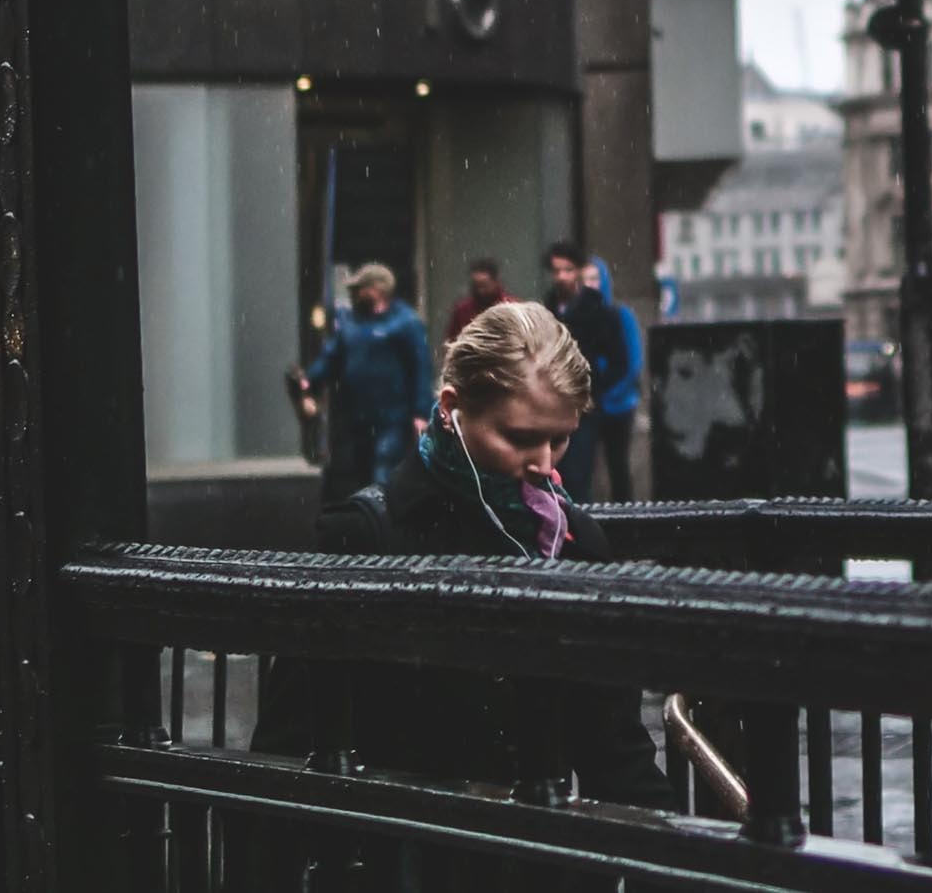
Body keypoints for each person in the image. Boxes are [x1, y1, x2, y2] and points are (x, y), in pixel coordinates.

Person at [254, 302, 669, 873]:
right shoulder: (369, 535)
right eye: (521, 437)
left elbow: (613, 749)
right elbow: (286, 744)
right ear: (451, 410)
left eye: (561, 440)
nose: (545, 466)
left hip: (529, 868)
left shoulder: (575, 542)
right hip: (401, 865)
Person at [292, 262, 431, 501]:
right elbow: (331, 357)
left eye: (361, 288)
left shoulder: (405, 323)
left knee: (383, 469)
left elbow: (421, 368)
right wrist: (310, 381)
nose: (355, 294)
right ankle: (367, 522)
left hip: (392, 415)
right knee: (360, 472)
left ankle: (382, 523)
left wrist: (421, 411)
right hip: (357, 415)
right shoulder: (351, 323)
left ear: (378, 289)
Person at [544, 237, 627, 500]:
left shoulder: (598, 310)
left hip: (583, 404)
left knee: (579, 474)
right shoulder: (549, 307)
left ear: (578, 271)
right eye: (557, 271)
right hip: (554, 401)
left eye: (567, 270)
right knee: (559, 473)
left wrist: (594, 390)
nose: (561, 277)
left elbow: (619, 359)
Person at [587, 254, 645, 502]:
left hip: (618, 405)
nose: (590, 284)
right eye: (585, 279)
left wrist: (609, 395)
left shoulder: (621, 316)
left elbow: (633, 363)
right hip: (591, 406)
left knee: (618, 466)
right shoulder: (582, 317)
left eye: (594, 278)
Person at [445, 255, 513, 346]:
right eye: (476, 286)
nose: (480, 291)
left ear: (495, 282)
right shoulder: (463, 310)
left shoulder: (511, 307)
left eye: (484, 286)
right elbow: (452, 342)